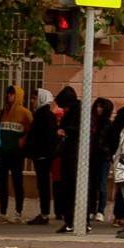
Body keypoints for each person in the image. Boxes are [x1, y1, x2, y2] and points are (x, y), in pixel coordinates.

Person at [0, 87, 30, 222]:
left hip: (16, 154)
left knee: (17, 182)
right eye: (8, 93)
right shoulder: (2, 112)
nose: (9, 96)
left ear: (18, 96)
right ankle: (2, 212)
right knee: (2, 183)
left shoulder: (24, 113)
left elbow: (31, 130)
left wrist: (24, 139)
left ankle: (18, 212)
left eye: (12, 94)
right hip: (2, 153)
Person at [24, 88, 58, 224]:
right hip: (42, 154)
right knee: (42, 184)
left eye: (34, 98)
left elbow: (45, 137)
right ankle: (44, 212)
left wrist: (41, 152)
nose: (32, 101)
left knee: (43, 184)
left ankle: (44, 213)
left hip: (43, 155)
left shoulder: (44, 115)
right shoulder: (42, 114)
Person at [52, 85, 81, 232]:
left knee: (73, 188)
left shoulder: (78, 111)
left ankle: (76, 220)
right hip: (67, 154)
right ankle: (69, 220)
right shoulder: (70, 113)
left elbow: (79, 130)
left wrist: (65, 130)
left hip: (75, 155)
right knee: (66, 188)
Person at [88, 96, 116, 223]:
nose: (99, 109)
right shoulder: (91, 122)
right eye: (97, 106)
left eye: (101, 107)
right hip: (92, 156)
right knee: (92, 184)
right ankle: (91, 209)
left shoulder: (109, 124)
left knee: (102, 184)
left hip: (103, 157)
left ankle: (100, 211)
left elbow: (112, 142)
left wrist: (108, 153)